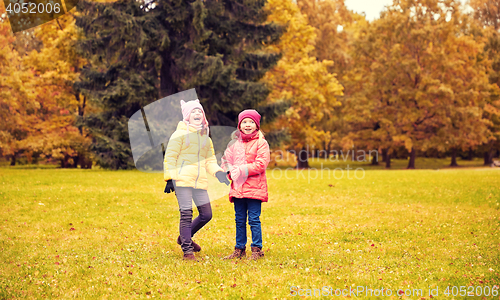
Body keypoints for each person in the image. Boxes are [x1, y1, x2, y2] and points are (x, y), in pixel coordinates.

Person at [163, 99, 230, 261]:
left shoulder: (206, 138)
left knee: (206, 214)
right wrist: (170, 178)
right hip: (182, 181)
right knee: (186, 214)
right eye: (193, 111)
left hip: (199, 182)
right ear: (187, 116)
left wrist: (219, 173)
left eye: (200, 111)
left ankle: (183, 237)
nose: (197, 114)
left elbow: (210, 161)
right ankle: (187, 251)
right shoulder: (179, 134)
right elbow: (170, 157)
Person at [221, 109, 270, 260]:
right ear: (239, 125)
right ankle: (239, 249)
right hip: (238, 189)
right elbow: (225, 161)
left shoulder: (261, 143)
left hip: (254, 188)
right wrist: (229, 172)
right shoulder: (234, 144)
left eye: (251, 122)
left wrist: (241, 170)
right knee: (239, 219)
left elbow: (261, 164)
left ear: (257, 125)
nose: (248, 125)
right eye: (244, 122)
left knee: (254, 219)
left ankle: (257, 249)